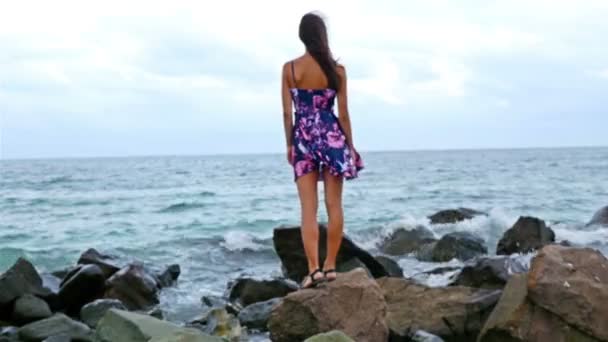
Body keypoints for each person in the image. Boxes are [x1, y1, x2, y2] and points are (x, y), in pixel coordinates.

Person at [281, 12, 364, 289]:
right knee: (334, 205)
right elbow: (344, 114)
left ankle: (313, 270)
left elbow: (286, 113)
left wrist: (290, 144)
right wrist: (350, 147)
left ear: (302, 36)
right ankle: (330, 267)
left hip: (303, 139)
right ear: (322, 36)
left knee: (308, 209)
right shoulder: (337, 70)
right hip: (331, 138)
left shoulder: (290, 69)